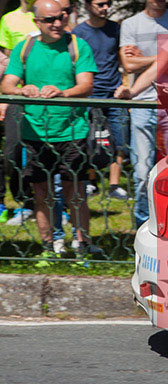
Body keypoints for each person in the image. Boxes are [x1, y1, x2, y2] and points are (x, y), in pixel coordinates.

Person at [1, 0, 98, 254]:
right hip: (34, 131)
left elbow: (86, 85)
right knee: (41, 191)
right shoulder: (25, 48)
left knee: (74, 192)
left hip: (72, 130)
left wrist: (63, 93)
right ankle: (49, 246)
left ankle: (82, 246)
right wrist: (23, 89)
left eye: (61, 17)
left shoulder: (77, 45)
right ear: (37, 23)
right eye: (50, 19)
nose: (57, 23)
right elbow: (7, 84)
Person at [119, 0, 168, 229]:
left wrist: (142, 60)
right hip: (141, 103)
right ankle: (142, 225)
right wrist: (164, 58)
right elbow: (127, 64)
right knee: (141, 171)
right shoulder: (130, 24)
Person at [72, 0, 128, 201]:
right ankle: (91, 182)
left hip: (115, 94)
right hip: (90, 94)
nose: (105, 8)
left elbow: (123, 59)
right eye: (100, 4)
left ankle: (114, 186)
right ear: (87, 6)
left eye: (108, 4)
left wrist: (126, 84)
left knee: (120, 139)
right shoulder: (78, 32)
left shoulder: (116, 29)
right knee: (89, 141)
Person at [0, 0, 39, 226]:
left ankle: (51, 206)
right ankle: (23, 200)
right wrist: (6, 98)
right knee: (13, 152)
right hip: (18, 95)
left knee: (42, 153)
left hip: (46, 95)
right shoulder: (9, 19)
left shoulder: (54, 12)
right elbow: (6, 63)